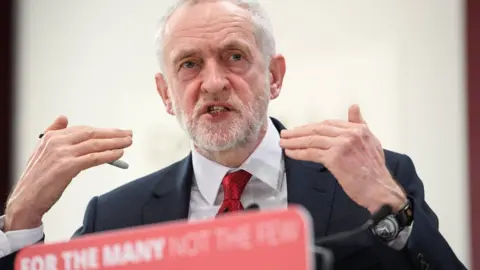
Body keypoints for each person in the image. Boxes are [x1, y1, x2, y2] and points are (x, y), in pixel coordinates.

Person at [0, 0, 466, 269]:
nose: (215, 81)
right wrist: (21, 219)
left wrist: (393, 206)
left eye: (235, 57)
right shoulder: (115, 216)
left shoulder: (372, 182)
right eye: (189, 65)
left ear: (275, 76)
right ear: (166, 93)